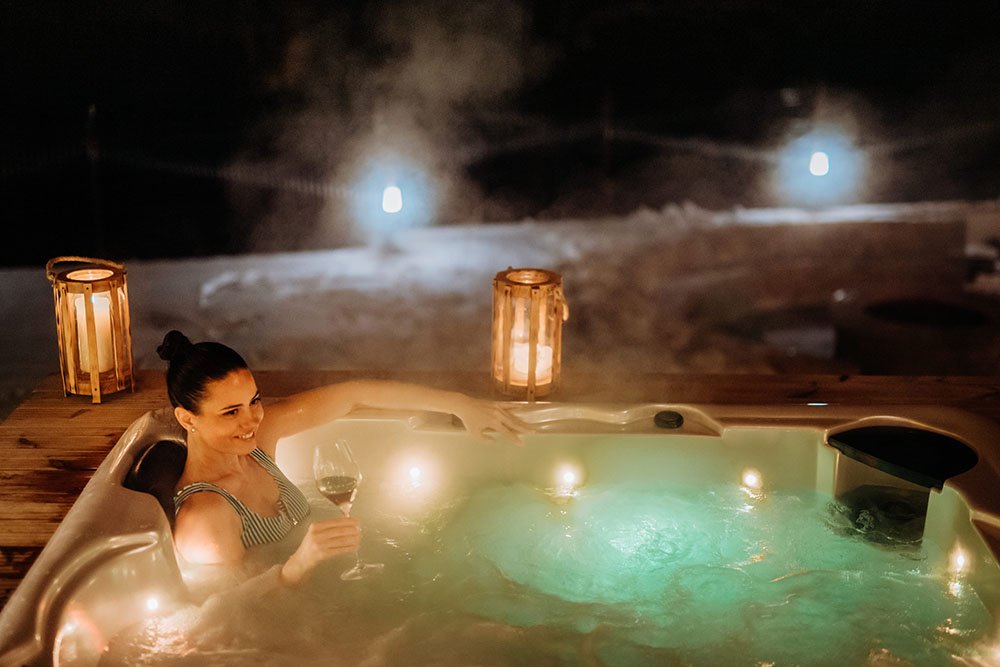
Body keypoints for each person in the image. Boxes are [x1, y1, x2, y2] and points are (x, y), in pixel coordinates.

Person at [157, 330, 524, 588]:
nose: (252, 419)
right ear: (187, 419)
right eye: (230, 412)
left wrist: (459, 404)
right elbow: (231, 619)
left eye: (254, 401)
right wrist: (298, 566)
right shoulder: (206, 518)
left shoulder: (255, 445)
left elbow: (354, 395)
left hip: (338, 584)